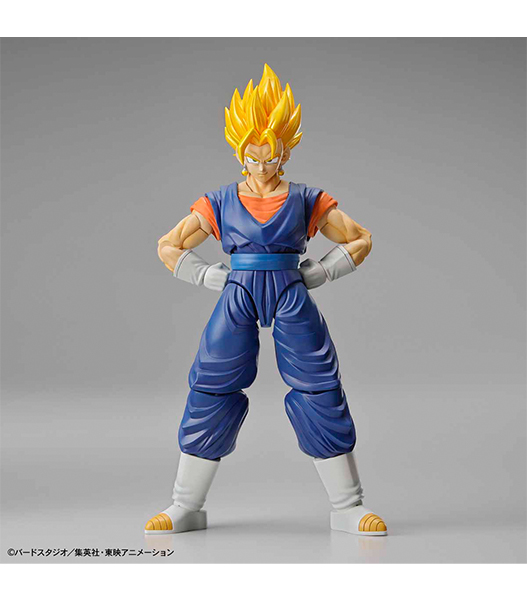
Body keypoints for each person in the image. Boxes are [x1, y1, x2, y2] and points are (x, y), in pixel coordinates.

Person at [145, 65, 387, 536]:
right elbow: (168, 245)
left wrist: (323, 270)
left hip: (291, 291)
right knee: (211, 386)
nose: (260, 166)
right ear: (239, 153)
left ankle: (348, 505)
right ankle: (185, 504)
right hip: (237, 293)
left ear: (285, 151)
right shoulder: (219, 201)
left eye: (269, 155)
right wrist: (206, 275)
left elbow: (360, 239)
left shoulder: (307, 198)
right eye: (251, 156)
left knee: (319, 386)